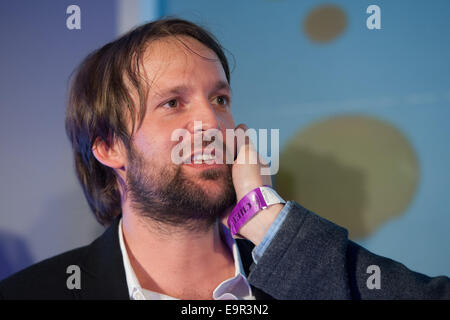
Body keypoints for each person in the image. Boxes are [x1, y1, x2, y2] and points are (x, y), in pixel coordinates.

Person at [0, 18, 448, 300]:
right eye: (173, 103)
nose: (211, 124)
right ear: (109, 147)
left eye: (219, 98)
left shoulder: (298, 268)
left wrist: (267, 221)